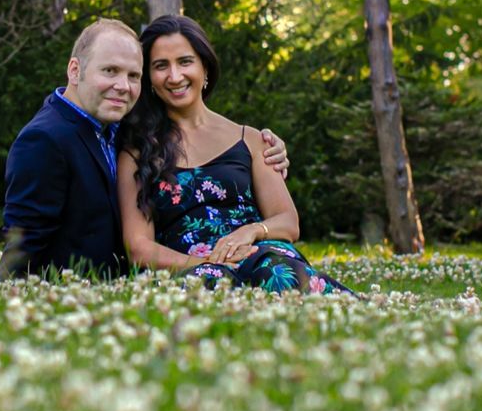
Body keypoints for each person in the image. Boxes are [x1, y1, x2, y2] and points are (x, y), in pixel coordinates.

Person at [0, 19, 288, 281]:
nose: (122, 86)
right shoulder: (44, 138)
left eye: (133, 76)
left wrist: (272, 148)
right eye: (110, 71)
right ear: (75, 70)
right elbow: (23, 243)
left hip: (137, 285)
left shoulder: (120, 128)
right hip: (79, 294)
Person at [116, 15, 351, 294]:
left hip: (260, 252)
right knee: (212, 284)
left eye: (185, 62)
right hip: (191, 266)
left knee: (277, 272)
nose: (174, 76)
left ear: (205, 67)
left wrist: (250, 231)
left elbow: (288, 221)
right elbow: (139, 248)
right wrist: (206, 261)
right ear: (149, 79)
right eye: (160, 66)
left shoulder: (251, 140)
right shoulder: (137, 152)